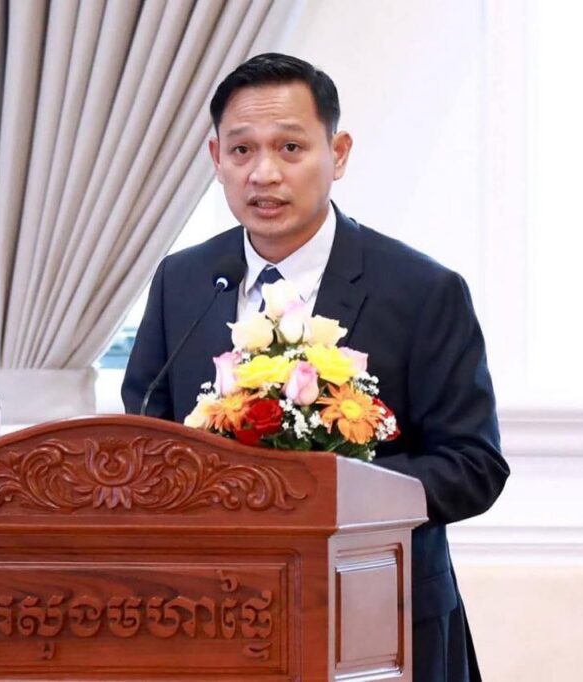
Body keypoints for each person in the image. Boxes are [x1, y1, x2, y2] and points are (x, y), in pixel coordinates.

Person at [122, 52, 509, 682]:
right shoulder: (182, 281)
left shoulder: (421, 291)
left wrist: (324, 495)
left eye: (290, 147)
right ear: (215, 158)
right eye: (241, 150)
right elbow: (146, 437)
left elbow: (474, 466)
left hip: (381, 618)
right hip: (212, 618)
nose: (264, 173)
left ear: (339, 152)